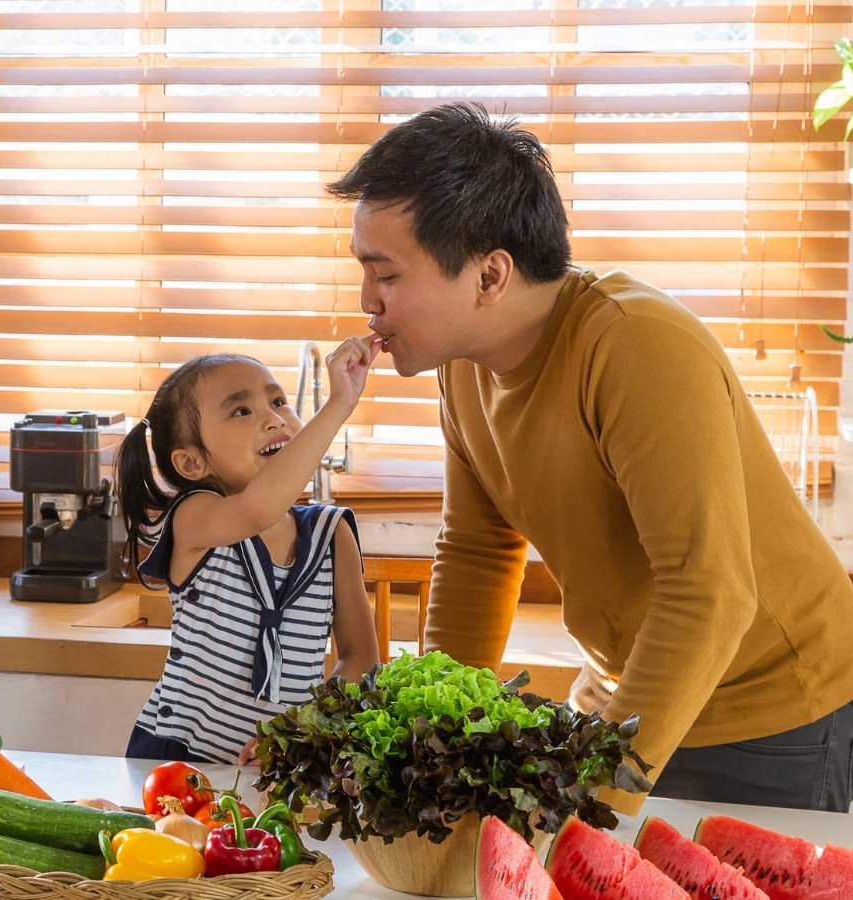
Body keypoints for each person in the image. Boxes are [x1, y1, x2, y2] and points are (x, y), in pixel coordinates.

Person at [327, 100, 853, 814]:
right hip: (622, 692)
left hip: (770, 710)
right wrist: (426, 747)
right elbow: (479, 551)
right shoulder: (464, 366)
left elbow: (710, 594)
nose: (367, 301)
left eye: (385, 275)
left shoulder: (635, 345)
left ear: (490, 277)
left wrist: (590, 793)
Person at [115, 339, 382, 765]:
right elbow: (259, 508)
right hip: (176, 762)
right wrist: (338, 406)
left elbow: (362, 660)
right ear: (192, 464)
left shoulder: (332, 535)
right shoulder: (195, 518)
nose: (274, 418)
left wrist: (301, 730)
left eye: (277, 401)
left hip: (276, 770)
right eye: (242, 411)